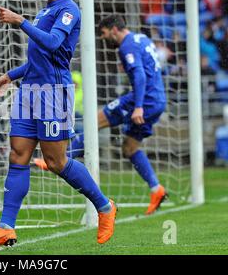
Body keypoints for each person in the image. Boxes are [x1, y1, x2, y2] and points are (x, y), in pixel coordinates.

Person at [0, 0, 117, 251]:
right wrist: (9, 76)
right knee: (18, 156)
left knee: (56, 162)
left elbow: (53, 45)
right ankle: (5, 228)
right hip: (29, 92)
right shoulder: (44, 11)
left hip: (53, 94)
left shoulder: (69, 10)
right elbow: (38, 59)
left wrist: (21, 21)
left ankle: (104, 206)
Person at [35, 15, 168, 215]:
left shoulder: (127, 46)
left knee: (94, 121)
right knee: (130, 149)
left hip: (143, 100)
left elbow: (140, 75)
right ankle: (156, 189)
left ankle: (59, 158)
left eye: (104, 33)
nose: (104, 38)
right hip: (158, 99)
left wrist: (139, 106)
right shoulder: (142, 38)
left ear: (114, 29)